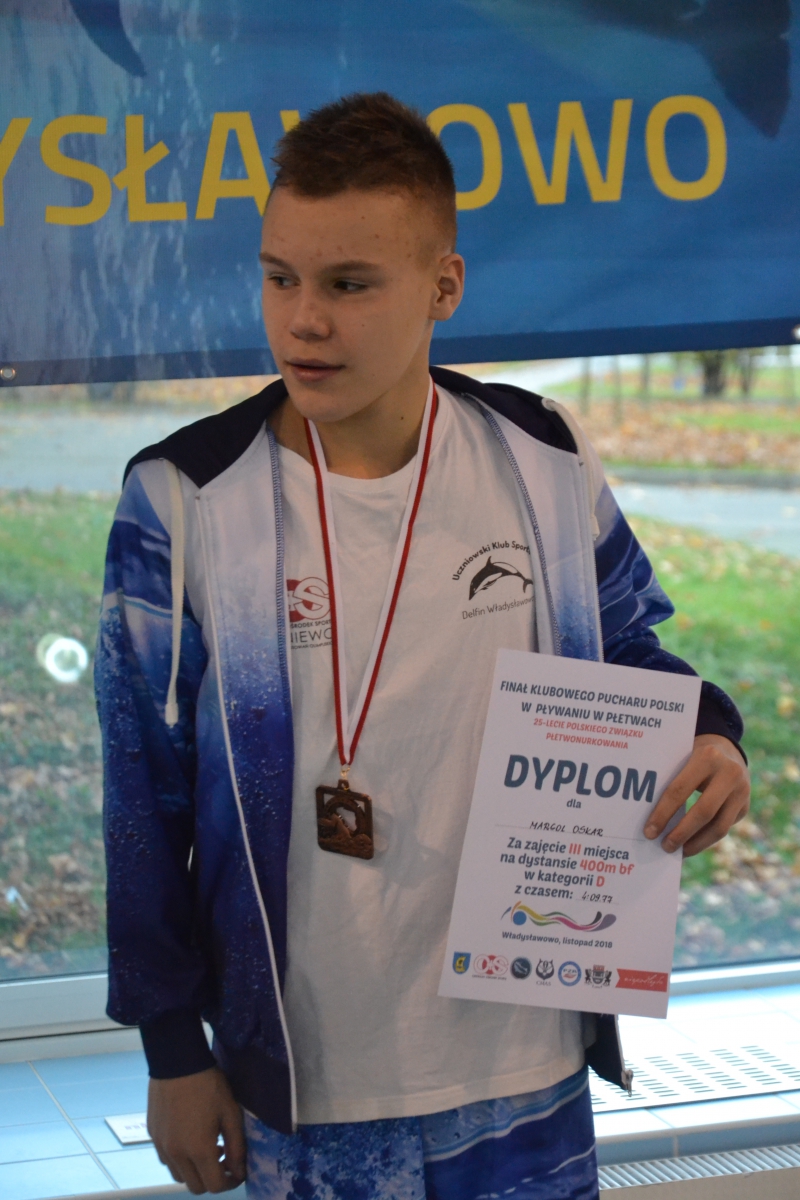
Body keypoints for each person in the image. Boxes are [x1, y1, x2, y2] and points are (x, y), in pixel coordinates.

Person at [96, 92, 750, 1200]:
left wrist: (713, 735)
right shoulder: (184, 497)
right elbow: (142, 795)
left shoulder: (539, 456)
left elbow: (627, 651)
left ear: (443, 287)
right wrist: (172, 1051)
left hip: (524, 1051)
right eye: (280, 278)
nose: (304, 321)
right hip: (307, 1079)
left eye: (349, 285)